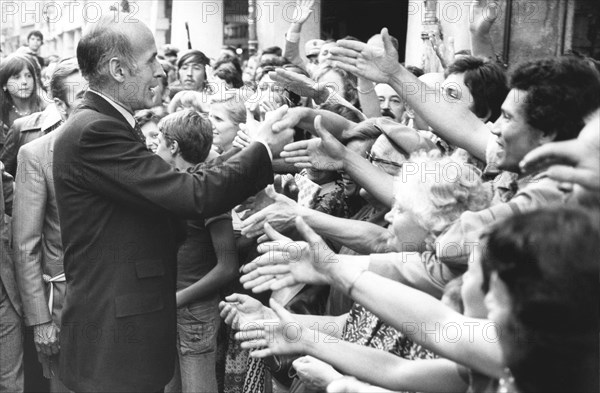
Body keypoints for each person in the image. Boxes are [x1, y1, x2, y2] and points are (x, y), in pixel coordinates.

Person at [52, 16, 292, 392]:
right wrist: (260, 148)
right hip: (115, 341)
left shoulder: (104, 122)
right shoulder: (95, 130)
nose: (162, 69)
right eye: (150, 60)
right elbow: (192, 195)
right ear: (118, 69)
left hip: (128, 330)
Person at [13, 57, 87, 393]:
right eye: (81, 96)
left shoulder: (124, 148)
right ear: (59, 104)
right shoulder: (36, 155)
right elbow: (26, 246)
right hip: (63, 305)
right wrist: (41, 320)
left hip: (115, 307)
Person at [153, 110, 238, 393]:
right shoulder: (173, 184)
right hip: (169, 304)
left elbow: (227, 265)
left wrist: (178, 298)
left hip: (195, 310)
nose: (155, 143)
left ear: (174, 146)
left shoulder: (207, 190)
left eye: (158, 138)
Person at [0, 54, 46, 132]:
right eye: (17, 77)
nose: (24, 82)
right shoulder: (2, 113)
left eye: (28, 76)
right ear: (4, 84)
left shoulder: (45, 108)